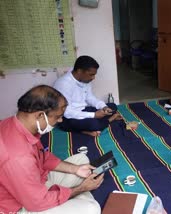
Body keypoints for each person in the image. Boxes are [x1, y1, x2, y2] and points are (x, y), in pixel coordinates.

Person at [0, 85, 103, 213]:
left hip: (35, 183)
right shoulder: (18, 157)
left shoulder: (12, 123)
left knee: (81, 161)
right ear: (40, 116)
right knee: (91, 209)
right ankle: (74, 197)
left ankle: (68, 198)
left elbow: (43, 157)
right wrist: (80, 189)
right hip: (21, 206)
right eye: (58, 116)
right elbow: (36, 203)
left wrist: (75, 169)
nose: (60, 120)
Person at [54, 55, 121, 137]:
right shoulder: (64, 84)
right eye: (91, 74)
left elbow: (90, 98)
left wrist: (103, 107)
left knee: (112, 107)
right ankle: (110, 120)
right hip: (67, 118)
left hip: (83, 110)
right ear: (79, 71)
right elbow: (67, 112)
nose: (93, 78)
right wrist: (94, 115)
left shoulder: (85, 80)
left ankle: (90, 128)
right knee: (94, 124)